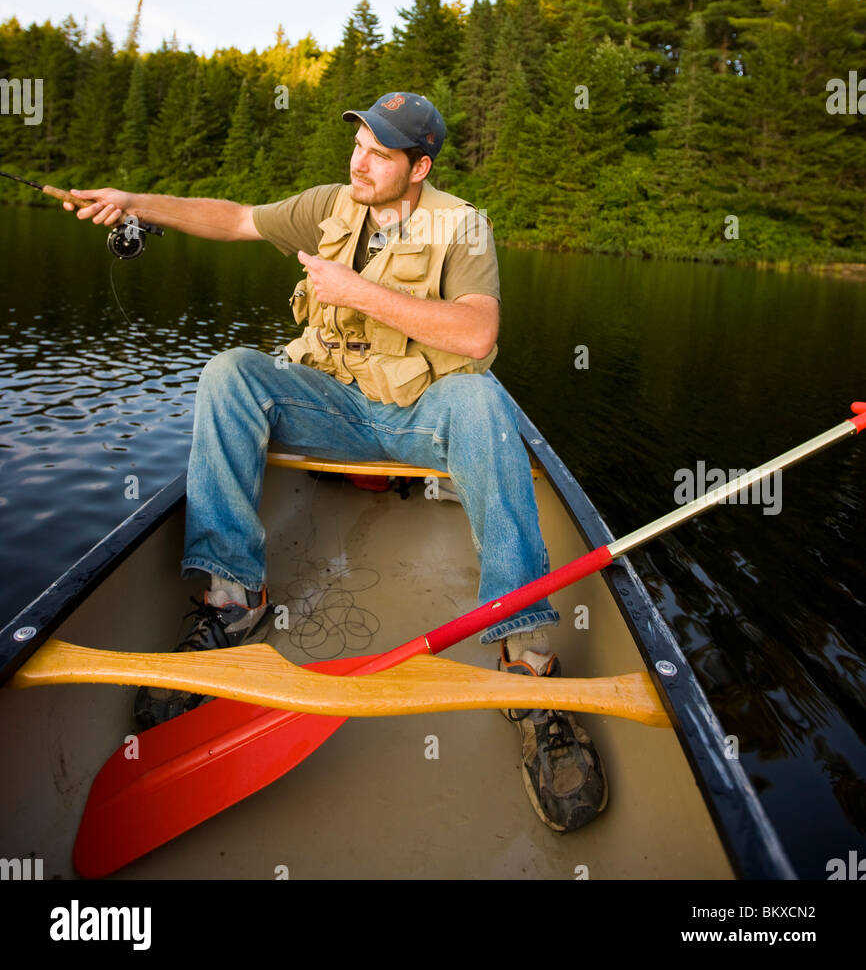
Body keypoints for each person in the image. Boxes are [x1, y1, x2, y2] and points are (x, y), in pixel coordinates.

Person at [67, 91, 607, 834]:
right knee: (230, 372)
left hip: (423, 416)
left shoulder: (461, 225)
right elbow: (232, 217)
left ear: (419, 167)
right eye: (358, 144)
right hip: (334, 410)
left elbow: (478, 336)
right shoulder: (329, 205)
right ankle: (233, 601)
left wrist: (358, 290)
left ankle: (526, 658)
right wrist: (137, 203)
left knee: (485, 403)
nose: (360, 160)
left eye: (381, 153)